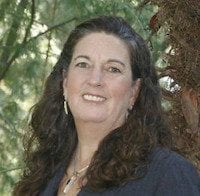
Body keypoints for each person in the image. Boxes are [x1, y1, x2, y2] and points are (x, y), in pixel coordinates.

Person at [13, 16, 200, 196]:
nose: (95, 80)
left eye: (113, 69)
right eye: (83, 64)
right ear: (65, 82)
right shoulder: (42, 175)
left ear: (134, 91)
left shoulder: (168, 174)